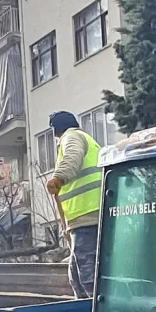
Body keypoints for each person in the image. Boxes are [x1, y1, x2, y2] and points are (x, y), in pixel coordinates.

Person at [46, 111, 102, 299]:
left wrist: (58, 178)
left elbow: (73, 155)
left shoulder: (72, 137)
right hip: (82, 218)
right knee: (76, 277)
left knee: (88, 278)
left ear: (56, 132)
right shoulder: (86, 139)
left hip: (88, 215)